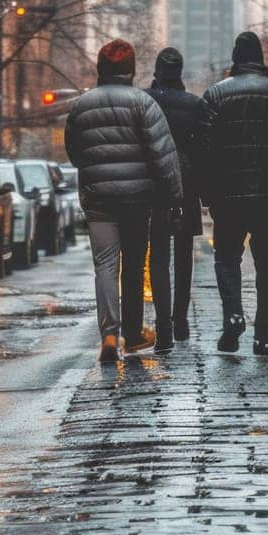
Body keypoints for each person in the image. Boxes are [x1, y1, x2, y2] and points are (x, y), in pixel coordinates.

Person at [65, 38, 182, 365]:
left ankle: (109, 334)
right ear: (130, 70)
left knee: (104, 264)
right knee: (132, 265)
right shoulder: (143, 104)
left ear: (100, 69)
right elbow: (163, 154)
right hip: (136, 200)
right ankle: (132, 334)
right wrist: (173, 195)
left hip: (98, 198)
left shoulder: (81, 106)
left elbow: (75, 153)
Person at [197, 30, 268, 356]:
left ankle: (233, 315)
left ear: (234, 58)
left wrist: (208, 194)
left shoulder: (215, 96)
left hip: (227, 197)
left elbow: (201, 150)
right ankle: (264, 336)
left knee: (226, 259)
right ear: (261, 58)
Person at [146, 46, 203, 353]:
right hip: (186, 188)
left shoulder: (145, 100)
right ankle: (181, 320)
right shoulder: (194, 104)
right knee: (184, 256)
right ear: (180, 72)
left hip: (154, 188)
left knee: (158, 256)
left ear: (157, 71)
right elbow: (203, 149)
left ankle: (163, 325)